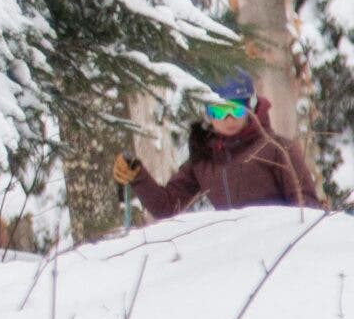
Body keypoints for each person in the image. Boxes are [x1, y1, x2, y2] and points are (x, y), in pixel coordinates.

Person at [112, 73, 326, 217]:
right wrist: (138, 177)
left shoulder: (277, 149)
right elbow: (167, 207)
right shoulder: (205, 159)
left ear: (251, 107)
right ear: (208, 114)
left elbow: (306, 208)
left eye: (237, 109)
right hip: (233, 257)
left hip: (279, 250)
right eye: (219, 111)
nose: (229, 119)